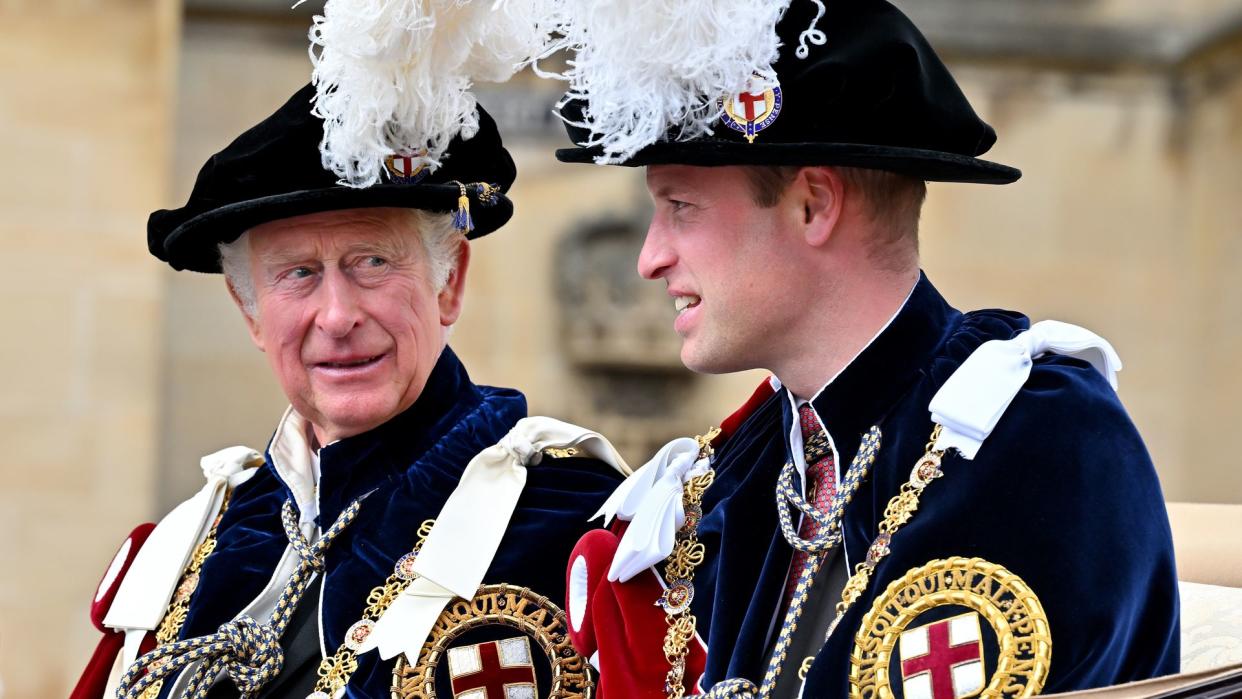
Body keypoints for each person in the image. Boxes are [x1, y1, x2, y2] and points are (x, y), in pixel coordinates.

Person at [550, 1, 1180, 697]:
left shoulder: (1034, 440)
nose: (649, 258)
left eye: (680, 208)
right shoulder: (741, 471)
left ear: (813, 205)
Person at [71, 81, 627, 699]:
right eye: (298, 274)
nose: (336, 316)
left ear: (449, 284)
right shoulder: (189, 546)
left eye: (372, 263)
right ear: (249, 310)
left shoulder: (571, 519)